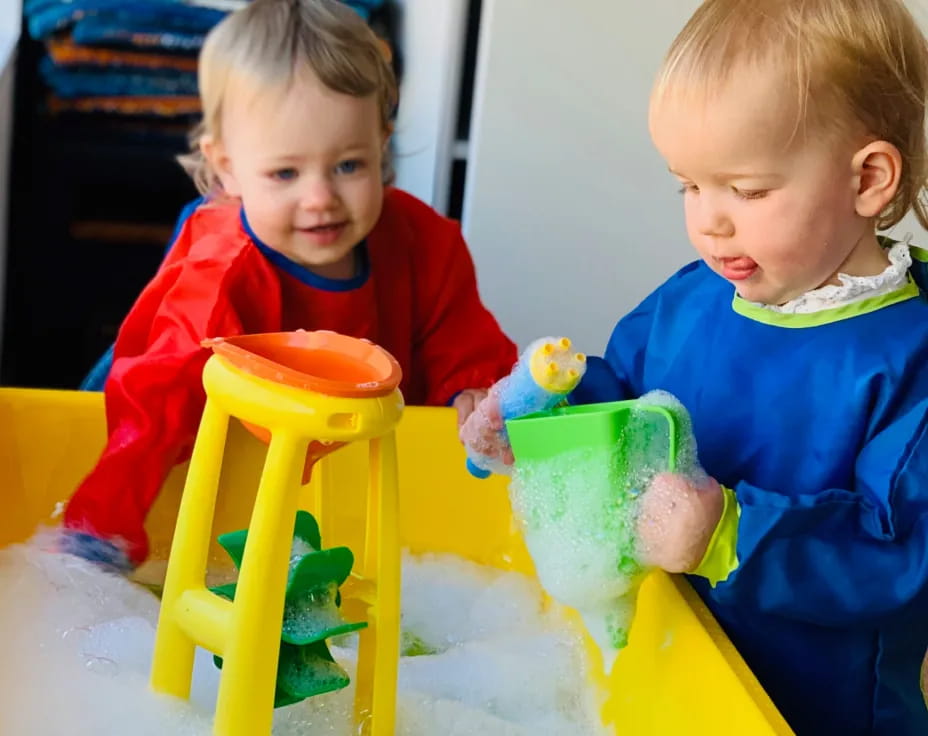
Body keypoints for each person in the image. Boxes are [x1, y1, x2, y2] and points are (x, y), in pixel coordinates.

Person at [462, 1, 928, 732]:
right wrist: (538, 418)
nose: (709, 220)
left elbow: (903, 551)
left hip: (813, 704)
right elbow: (625, 391)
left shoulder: (907, 357)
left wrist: (732, 534)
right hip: (675, 658)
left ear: (868, 179)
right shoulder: (697, 296)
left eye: (746, 190)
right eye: (688, 185)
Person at [62, 0, 516, 571]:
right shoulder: (220, 268)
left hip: (352, 482)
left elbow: (463, 343)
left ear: (382, 142)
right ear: (226, 168)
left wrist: (475, 394)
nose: (320, 197)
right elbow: (154, 400)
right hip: (214, 474)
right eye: (285, 173)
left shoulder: (425, 243)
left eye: (349, 165)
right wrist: (101, 529)